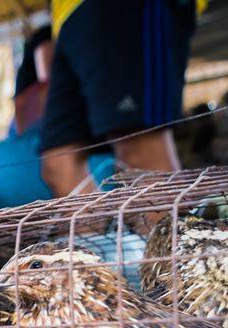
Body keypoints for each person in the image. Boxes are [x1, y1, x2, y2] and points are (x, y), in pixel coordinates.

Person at [40, 0, 205, 235]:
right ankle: (94, 265)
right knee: (59, 163)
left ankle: (177, 266)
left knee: (138, 149)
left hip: (121, 9)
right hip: (67, 16)